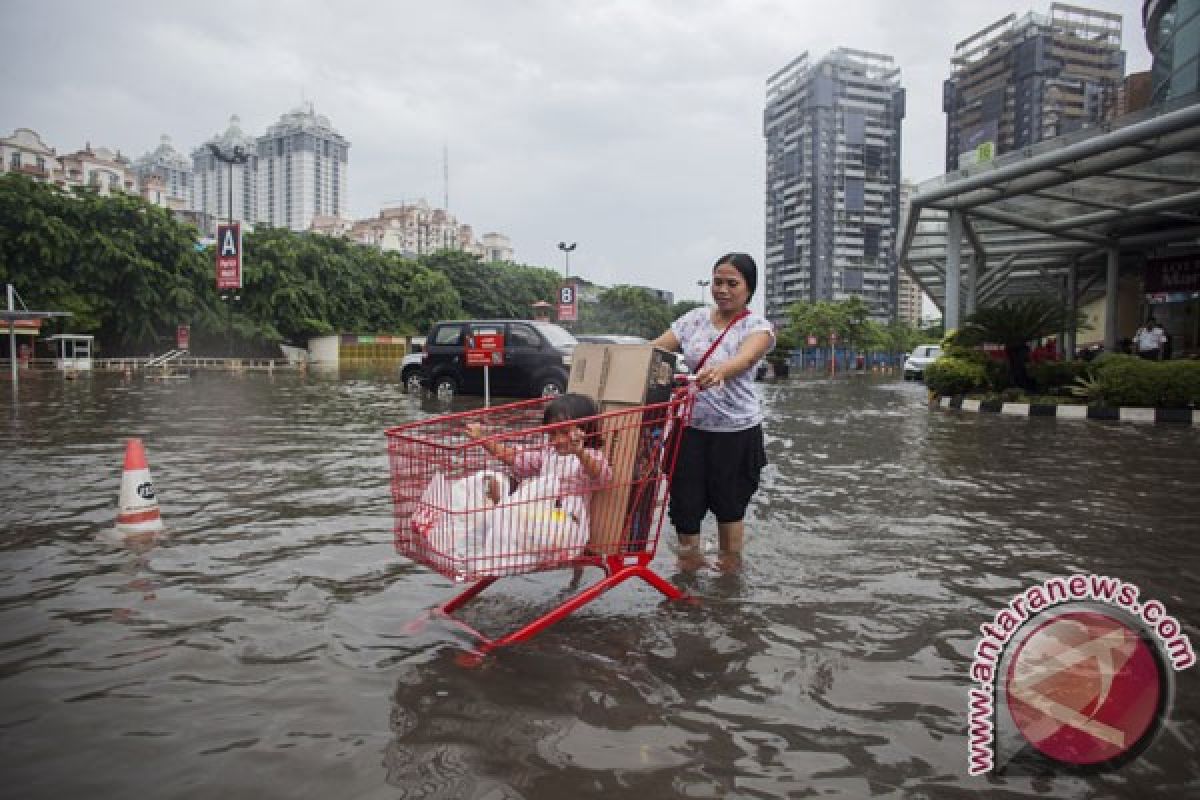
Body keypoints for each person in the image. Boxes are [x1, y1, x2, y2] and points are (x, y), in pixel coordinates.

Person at [651, 252, 775, 565]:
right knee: (685, 509)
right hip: (690, 430)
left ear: (749, 288)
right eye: (718, 282)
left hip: (736, 433)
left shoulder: (758, 327)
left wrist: (721, 371)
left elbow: (746, 358)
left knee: (730, 509)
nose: (723, 289)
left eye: (732, 283)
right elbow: (654, 349)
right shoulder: (693, 319)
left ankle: (728, 581)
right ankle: (688, 576)